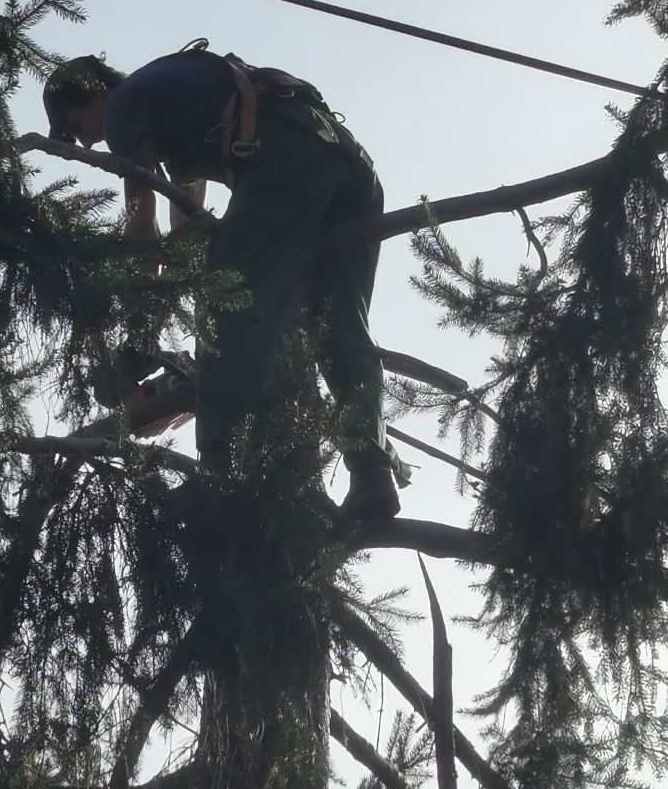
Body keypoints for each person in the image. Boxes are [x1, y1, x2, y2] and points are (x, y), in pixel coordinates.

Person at [42, 48, 404, 520]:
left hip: (287, 158)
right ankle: (373, 477)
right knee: (334, 324)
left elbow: (142, 230)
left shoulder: (126, 105)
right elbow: (186, 234)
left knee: (229, 305)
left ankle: (222, 468)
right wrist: (152, 332)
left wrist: (135, 335)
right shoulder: (174, 96)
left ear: (92, 92)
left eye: (74, 127)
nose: (85, 143)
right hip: (346, 163)